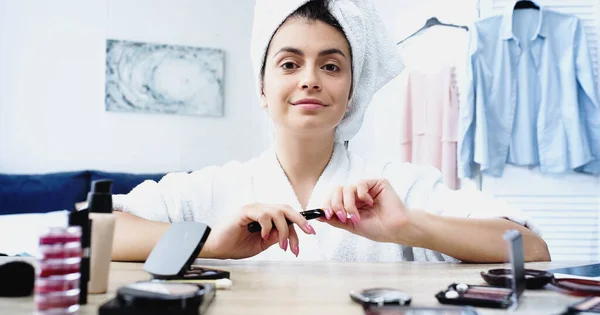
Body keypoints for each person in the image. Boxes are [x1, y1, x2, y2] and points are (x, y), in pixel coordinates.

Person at [111, 0, 550, 263]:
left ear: (351, 90)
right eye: (289, 63)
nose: (309, 79)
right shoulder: (210, 190)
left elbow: (531, 248)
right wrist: (209, 243)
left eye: (331, 65)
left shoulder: (402, 188)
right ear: (262, 88)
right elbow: (94, 230)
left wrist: (407, 227)